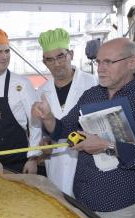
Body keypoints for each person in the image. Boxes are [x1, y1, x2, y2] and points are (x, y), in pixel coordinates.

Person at [32, 38, 135, 218]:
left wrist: (107, 146)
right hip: (83, 199)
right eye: (98, 62)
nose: (101, 69)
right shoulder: (91, 95)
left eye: (108, 62)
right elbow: (64, 129)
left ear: (132, 62)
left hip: (121, 204)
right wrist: (49, 118)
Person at [36, 28, 98, 196]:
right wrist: (43, 147)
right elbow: (42, 132)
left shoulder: (92, 84)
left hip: (87, 164)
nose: (56, 64)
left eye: (61, 56)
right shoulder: (41, 92)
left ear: (71, 53)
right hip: (55, 165)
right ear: (44, 62)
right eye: (50, 60)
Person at [0, 29, 42, 173]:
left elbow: (36, 123)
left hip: (19, 158)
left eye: (7, 51)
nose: (4, 56)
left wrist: (33, 158)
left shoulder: (22, 83)